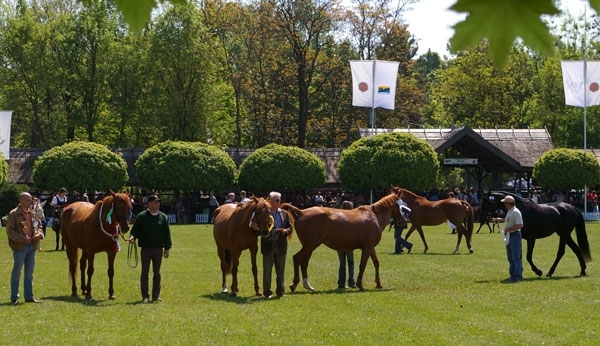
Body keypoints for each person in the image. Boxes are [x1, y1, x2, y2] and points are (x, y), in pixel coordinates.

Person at [128, 195, 172, 303]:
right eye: (156, 202)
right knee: (145, 273)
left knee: (157, 273)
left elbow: (167, 234)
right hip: (146, 249)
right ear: (150, 204)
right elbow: (135, 230)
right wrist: (133, 237)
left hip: (158, 250)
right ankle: (145, 296)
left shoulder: (163, 217)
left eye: (158, 202)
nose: (158, 204)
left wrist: (167, 248)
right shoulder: (142, 216)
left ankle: (156, 296)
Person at [6, 192, 44, 304]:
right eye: (28, 200)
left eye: (31, 200)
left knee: (29, 273)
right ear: (21, 201)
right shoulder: (13, 214)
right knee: (17, 272)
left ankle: (29, 297)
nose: (31, 202)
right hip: (20, 247)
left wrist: (39, 234)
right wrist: (22, 239)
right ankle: (14, 298)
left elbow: (40, 226)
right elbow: (10, 231)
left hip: (31, 247)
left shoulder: (32, 213)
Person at [261, 191, 293, 299]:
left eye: (280, 200)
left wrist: (285, 231)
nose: (279, 202)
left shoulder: (284, 213)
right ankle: (267, 292)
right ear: (270, 201)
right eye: (277, 200)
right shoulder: (264, 213)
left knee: (280, 270)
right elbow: (260, 228)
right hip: (268, 245)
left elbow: (290, 227)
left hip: (281, 245)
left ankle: (280, 292)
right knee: (267, 271)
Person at [493, 195, 523, 282]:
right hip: (509, 236)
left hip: (515, 235)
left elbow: (520, 225)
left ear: (510, 203)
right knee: (510, 257)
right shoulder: (510, 211)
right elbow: (509, 220)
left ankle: (517, 276)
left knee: (516, 257)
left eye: (505, 203)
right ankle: (512, 275)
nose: (504, 204)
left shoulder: (516, 212)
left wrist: (509, 229)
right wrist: (500, 219)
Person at [337, 201, 356, 289]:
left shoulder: (337, 218)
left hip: (339, 243)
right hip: (349, 243)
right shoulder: (352, 219)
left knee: (342, 264)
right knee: (351, 262)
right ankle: (351, 282)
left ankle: (341, 283)